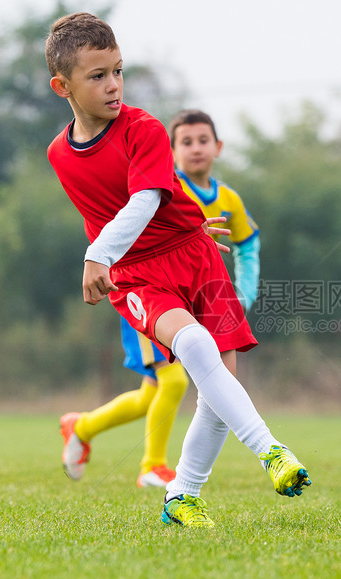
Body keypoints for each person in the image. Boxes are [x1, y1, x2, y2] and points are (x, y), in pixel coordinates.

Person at [44, 12, 310, 527]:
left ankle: (181, 497)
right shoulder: (60, 154)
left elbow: (147, 197)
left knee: (215, 392)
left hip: (197, 258)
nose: (113, 85)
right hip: (139, 274)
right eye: (97, 76)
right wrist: (102, 254)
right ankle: (271, 451)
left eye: (118, 71)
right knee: (192, 349)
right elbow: (105, 211)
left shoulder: (141, 128)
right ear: (63, 87)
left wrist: (182, 230)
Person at [58, 109, 260, 490]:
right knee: (172, 383)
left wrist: (243, 293)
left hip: (199, 291)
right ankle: (153, 465)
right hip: (148, 291)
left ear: (218, 147)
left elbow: (248, 244)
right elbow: (138, 219)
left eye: (203, 141)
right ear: (171, 151)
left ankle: (80, 426)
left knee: (149, 394)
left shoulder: (228, 198)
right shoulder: (160, 181)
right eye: (186, 142)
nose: (196, 149)